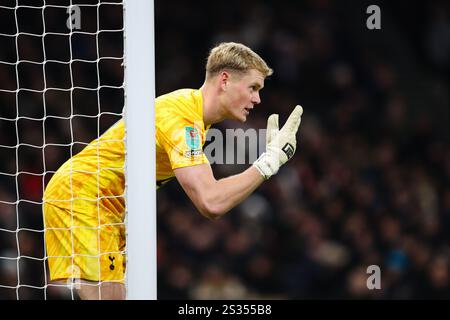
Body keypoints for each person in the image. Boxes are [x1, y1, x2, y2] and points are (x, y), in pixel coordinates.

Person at [43, 42, 303, 300]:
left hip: (105, 205)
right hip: (84, 195)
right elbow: (211, 201)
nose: (257, 99)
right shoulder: (182, 119)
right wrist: (269, 162)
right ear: (224, 80)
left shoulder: (198, 119)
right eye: (253, 88)